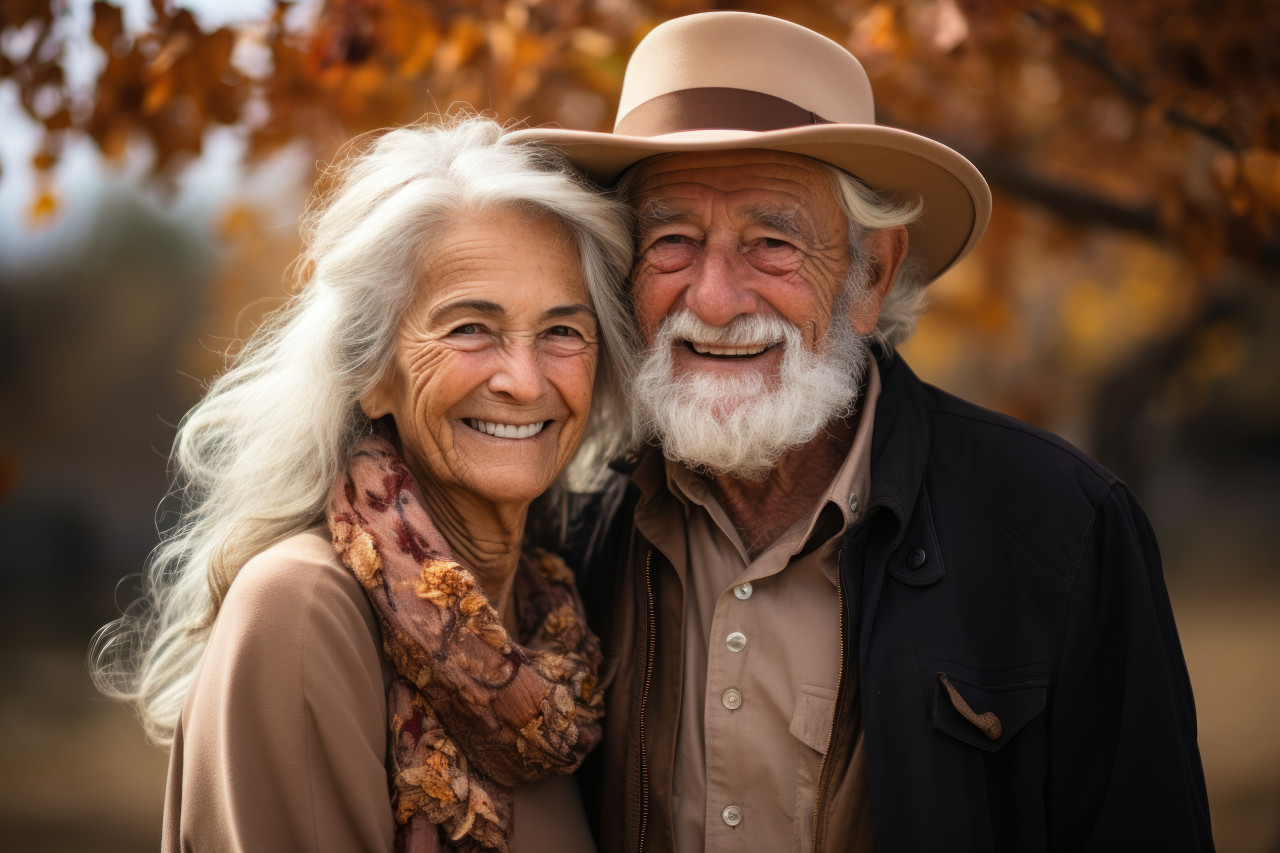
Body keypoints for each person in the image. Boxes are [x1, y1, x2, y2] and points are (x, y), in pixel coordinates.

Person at [512, 12, 1214, 852]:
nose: (713, 299)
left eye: (771, 242)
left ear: (870, 274)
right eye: (672, 241)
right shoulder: (564, 527)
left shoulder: (1061, 528)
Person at [90, 116, 638, 852]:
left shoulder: (558, 633)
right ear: (372, 371)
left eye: (562, 332)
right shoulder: (302, 609)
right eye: (470, 327)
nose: (524, 378)